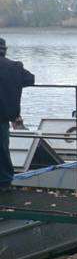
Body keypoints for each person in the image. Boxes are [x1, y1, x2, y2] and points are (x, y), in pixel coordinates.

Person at [0, 38, 35, 191]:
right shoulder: (13, 67)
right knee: (2, 150)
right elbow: (30, 79)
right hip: (3, 116)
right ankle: (5, 182)